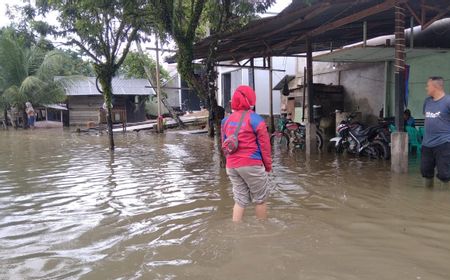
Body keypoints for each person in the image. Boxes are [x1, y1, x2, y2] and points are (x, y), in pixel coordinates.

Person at [221, 85, 272, 222]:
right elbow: (265, 147)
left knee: (240, 200)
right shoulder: (257, 120)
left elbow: (224, 145)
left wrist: (230, 162)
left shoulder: (225, 121)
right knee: (260, 200)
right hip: (251, 164)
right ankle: (263, 230)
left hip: (231, 166)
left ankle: (235, 230)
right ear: (250, 99)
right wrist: (267, 166)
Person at [421, 76, 450, 185]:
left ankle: (443, 200)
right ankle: (428, 199)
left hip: (444, 143)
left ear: (435, 86)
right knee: (425, 172)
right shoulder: (427, 101)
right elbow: (427, 118)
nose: (426, 88)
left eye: (428, 86)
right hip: (427, 144)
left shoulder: (448, 101)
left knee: (444, 175)